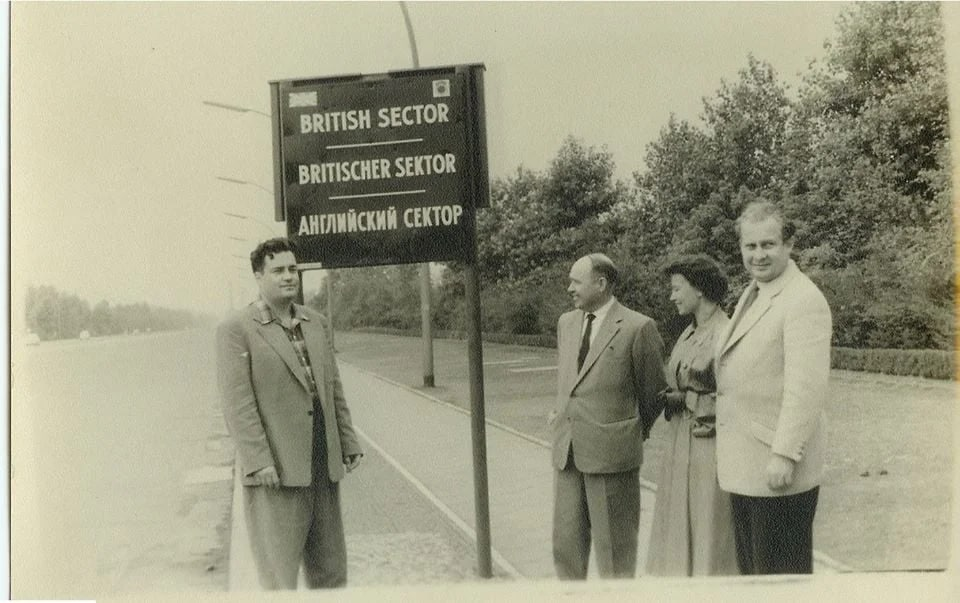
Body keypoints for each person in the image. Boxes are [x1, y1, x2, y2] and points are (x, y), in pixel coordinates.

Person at [216, 237, 363, 589]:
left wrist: (348, 440)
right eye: (278, 270)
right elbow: (237, 403)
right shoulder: (236, 330)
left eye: (292, 269)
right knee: (279, 575)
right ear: (258, 276)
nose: (288, 277)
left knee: (331, 571)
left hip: (322, 462)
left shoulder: (317, 322)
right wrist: (258, 460)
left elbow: (332, 387)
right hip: (276, 469)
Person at [715, 201, 832, 574]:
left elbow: (806, 389)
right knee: (755, 580)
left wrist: (784, 454)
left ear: (789, 245)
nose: (758, 255)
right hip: (746, 467)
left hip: (777, 471)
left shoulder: (803, 299)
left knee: (781, 583)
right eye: (750, 246)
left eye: (768, 244)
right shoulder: (755, 292)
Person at [550, 253, 667, 579]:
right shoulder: (566, 323)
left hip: (613, 456)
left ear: (601, 284)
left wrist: (626, 430)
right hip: (568, 452)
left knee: (615, 554)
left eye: (576, 281)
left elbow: (653, 392)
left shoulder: (638, 327)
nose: (569, 288)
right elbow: (569, 382)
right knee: (566, 547)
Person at [646, 255, 738, 576]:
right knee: (680, 522)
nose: (672, 296)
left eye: (676, 288)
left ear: (699, 289)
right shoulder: (688, 332)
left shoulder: (725, 333)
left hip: (708, 445)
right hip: (680, 444)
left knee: (707, 521)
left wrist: (685, 399)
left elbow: (732, 398)